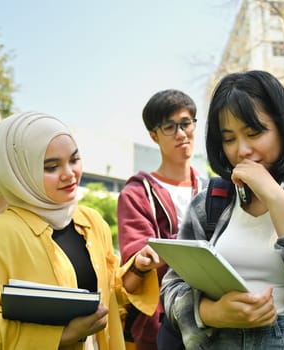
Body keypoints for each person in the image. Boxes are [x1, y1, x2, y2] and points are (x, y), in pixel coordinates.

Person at [160, 70, 284, 349]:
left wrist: (274, 195)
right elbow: (172, 287)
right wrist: (211, 313)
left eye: (254, 132)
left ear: (283, 127)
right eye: (229, 139)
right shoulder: (207, 205)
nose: (243, 150)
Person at [0, 111, 162, 350]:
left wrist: (137, 269)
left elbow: (110, 299)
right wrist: (61, 335)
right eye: (51, 167)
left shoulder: (90, 222)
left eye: (74, 159)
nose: (69, 174)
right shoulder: (1, 234)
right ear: (19, 174)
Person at [117, 89, 203, 350]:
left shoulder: (213, 189)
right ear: (153, 135)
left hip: (213, 319)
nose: (180, 133)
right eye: (169, 127)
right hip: (161, 327)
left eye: (185, 123)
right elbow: (134, 268)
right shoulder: (137, 193)